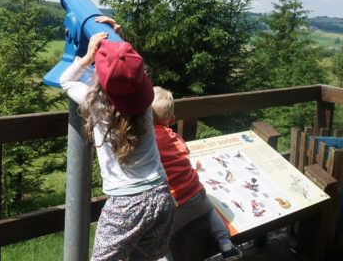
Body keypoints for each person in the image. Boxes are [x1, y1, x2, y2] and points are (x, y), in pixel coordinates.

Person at [59, 28, 175, 261]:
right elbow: (132, 71)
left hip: (126, 205)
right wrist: (118, 40)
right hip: (161, 195)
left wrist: (89, 57)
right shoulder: (146, 103)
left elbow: (66, 80)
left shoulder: (96, 105)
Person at [152, 86, 242, 261]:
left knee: (158, 237)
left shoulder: (148, 140)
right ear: (171, 119)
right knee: (209, 210)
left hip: (175, 204)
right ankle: (225, 243)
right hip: (197, 195)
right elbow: (184, 151)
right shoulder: (175, 137)